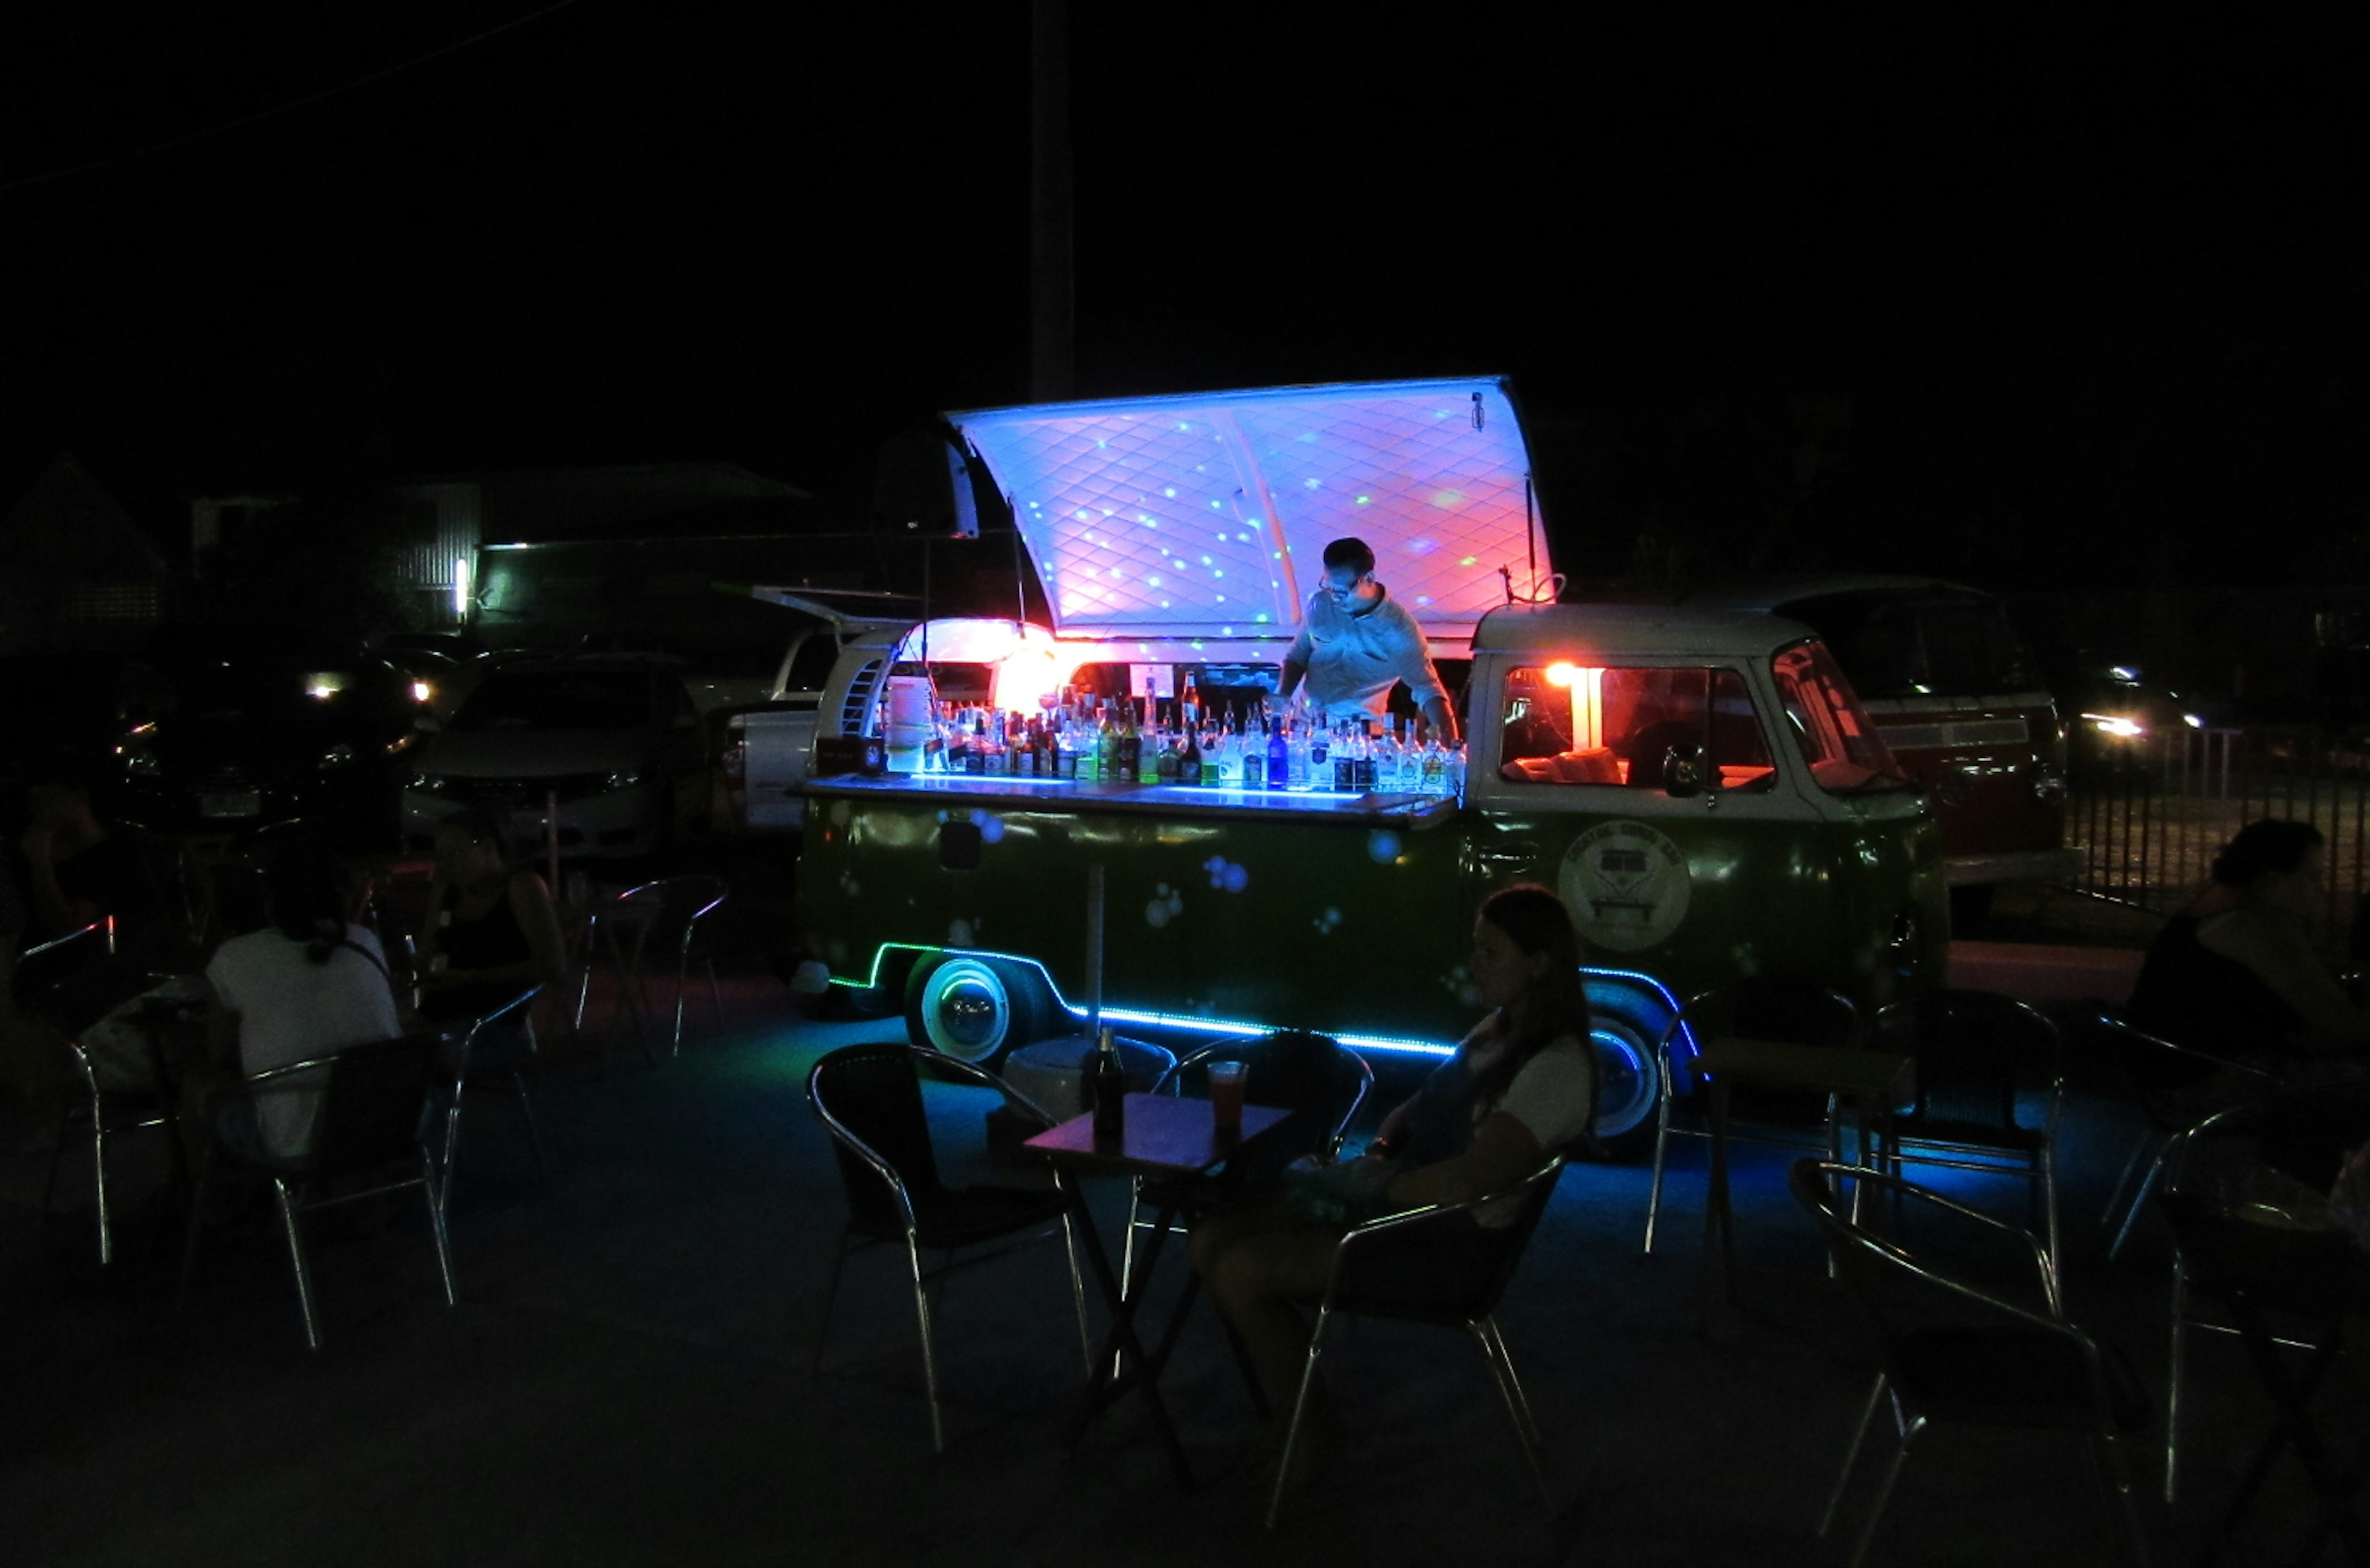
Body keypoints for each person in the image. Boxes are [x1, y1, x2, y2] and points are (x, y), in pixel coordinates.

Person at [1189, 883, 1594, 1485]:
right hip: (1403, 1203)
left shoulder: (1556, 1068)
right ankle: (1293, 1398)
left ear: (1539, 964)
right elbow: (1415, 1111)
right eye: (1475, 949)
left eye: (1490, 953)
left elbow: (1470, 1178)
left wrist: (1368, 1186)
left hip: (1448, 1244)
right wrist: (1376, 1154)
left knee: (1242, 1269)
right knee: (1209, 1238)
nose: (1474, 964)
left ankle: (1311, 1423)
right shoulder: (1496, 1031)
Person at [196, 845, 402, 1163]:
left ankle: (215, 1205)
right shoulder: (365, 942)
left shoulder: (234, 957)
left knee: (198, 1088)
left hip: (298, 1143)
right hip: (393, 1124)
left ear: (269, 896)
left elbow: (221, 1053)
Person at [2127, 819, 2369, 1079]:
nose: (2320, 890)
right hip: (2213, 1087)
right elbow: (2347, 1027)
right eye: (2311, 877)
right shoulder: (2256, 926)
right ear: (2270, 880)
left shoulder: (2207, 905)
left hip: (2160, 1071)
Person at [1277, 537, 1459, 740]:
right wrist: (1282, 695)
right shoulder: (1320, 604)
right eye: (1327, 586)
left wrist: (1451, 745)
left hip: (1360, 738)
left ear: (1369, 578)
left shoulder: (1399, 629)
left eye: (1341, 591)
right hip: (1305, 728)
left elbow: (1428, 689)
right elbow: (1297, 656)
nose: (1334, 597)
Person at [412, 806, 565, 1026]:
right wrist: (424, 961)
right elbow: (430, 945)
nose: (446, 865)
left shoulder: (521, 887)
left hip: (493, 1013)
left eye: (455, 853)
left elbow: (553, 966)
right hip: (441, 1009)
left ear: (488, 847)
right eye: (441, 857)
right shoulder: (448, 888)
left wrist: (472, 977)